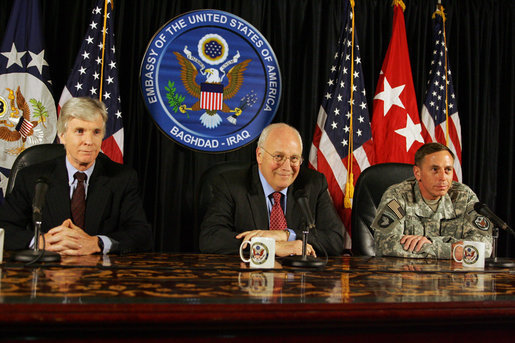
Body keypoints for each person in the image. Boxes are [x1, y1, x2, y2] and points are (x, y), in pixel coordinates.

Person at [0, 97, 152, 255]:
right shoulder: (32, 177)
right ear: (62, 136)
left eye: (96, 132)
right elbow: (4, 227)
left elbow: (142, 234)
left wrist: (97, 243)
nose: (88, 141)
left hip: (100, 274)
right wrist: (40, 241)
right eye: (80, 131)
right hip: (46, 271)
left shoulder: (122, 178)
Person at [199, 123, 345, 257]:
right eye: (278, 157)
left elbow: (335, 240)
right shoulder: (231, 184)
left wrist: (287, 235)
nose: (287, 167)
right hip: (247, 280)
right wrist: (270, 247)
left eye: (294, 158)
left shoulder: (313, 183)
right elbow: (211, 238)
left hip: (299, 280)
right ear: (259, 156)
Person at [372, 142, 492, 259]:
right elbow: (384, 243)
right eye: (435, 169)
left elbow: (485, 246)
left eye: (448, 170)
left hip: (452, 277)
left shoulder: (464, 197)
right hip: (408, 275)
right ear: (417, 173)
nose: (443, 177)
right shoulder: (398, 196)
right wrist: (451, 250)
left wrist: (430, 242)